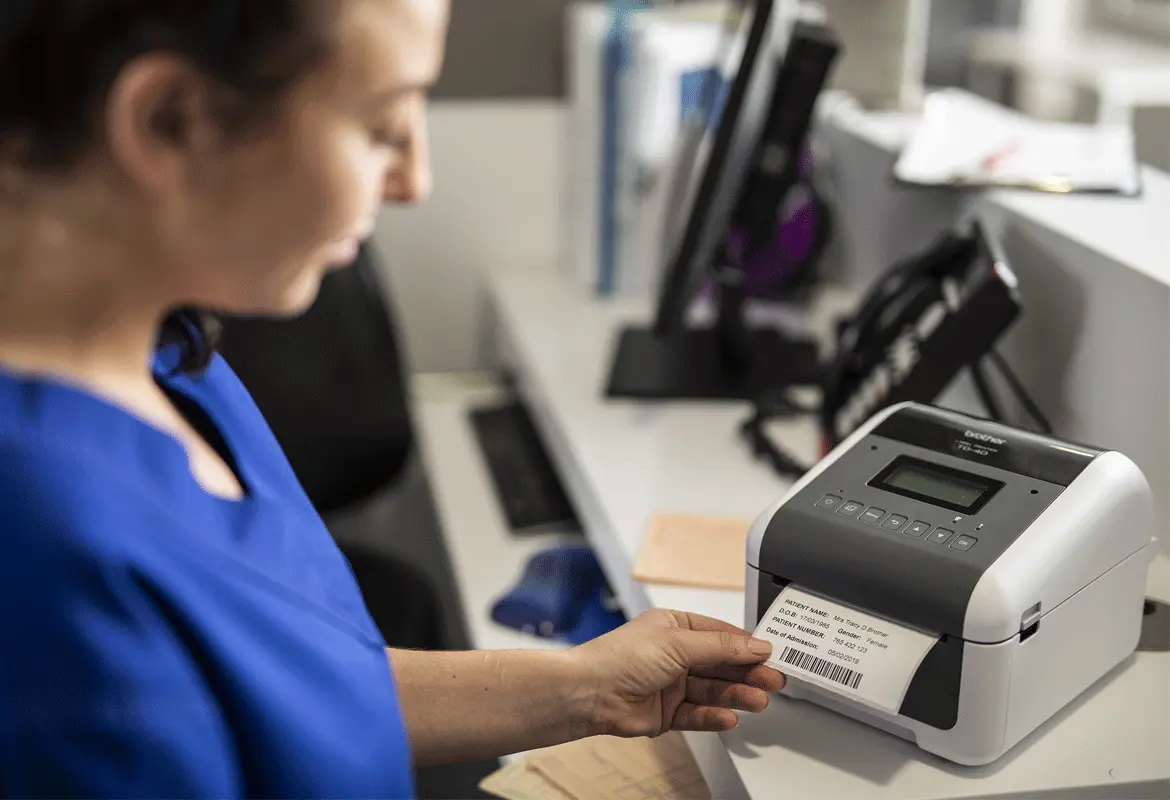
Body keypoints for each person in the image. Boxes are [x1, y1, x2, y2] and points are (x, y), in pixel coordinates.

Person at [0, 1, 787, 797]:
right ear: (172, 121)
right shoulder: (48, 561)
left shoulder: (164, 347)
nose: (415, 181)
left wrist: (583, 685)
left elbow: (279, 698)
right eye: (381, 126)